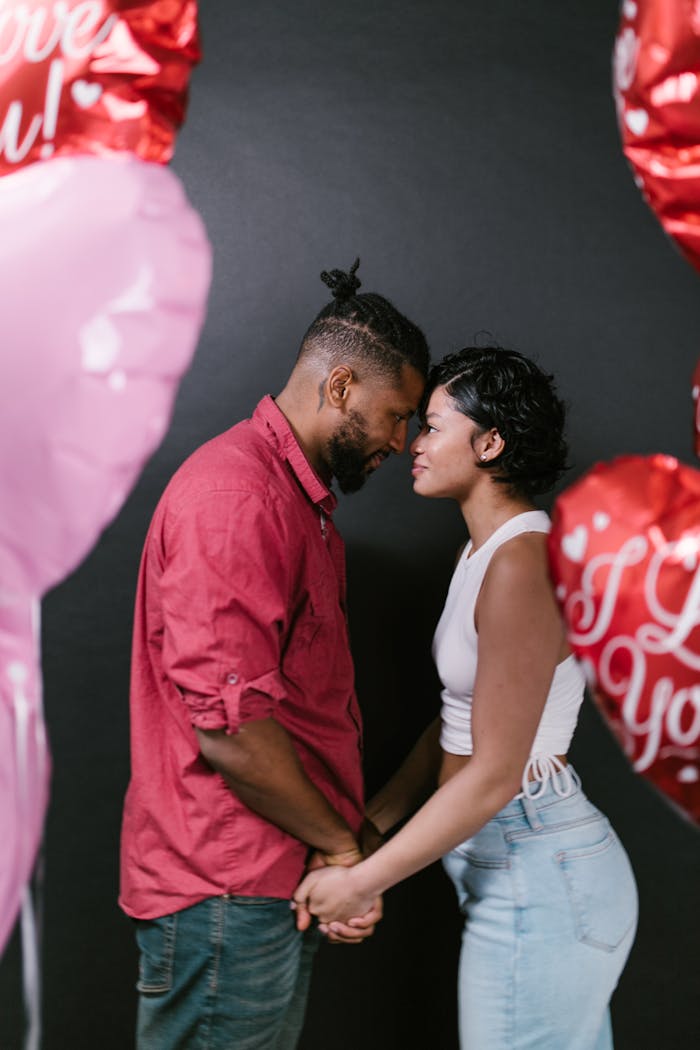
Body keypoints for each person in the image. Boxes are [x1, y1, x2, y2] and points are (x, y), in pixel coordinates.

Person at [119, 259, 429, 1049]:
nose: (402, 441)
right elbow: (231, 730)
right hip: (226, 892)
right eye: (397, 415)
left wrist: (332, 856)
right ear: (339, 388)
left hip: (270, 883)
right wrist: (340, 847)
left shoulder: (298, 504)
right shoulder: (239, 501)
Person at [294, 346, 639, 1050]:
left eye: (432, 426)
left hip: (541, 869)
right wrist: (369, 829)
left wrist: (362, 883)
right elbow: (454, 730)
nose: (412, 444)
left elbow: (495, 771)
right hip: (516, 865)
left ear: (489, 443)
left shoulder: (522, 562)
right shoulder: (481, 554)